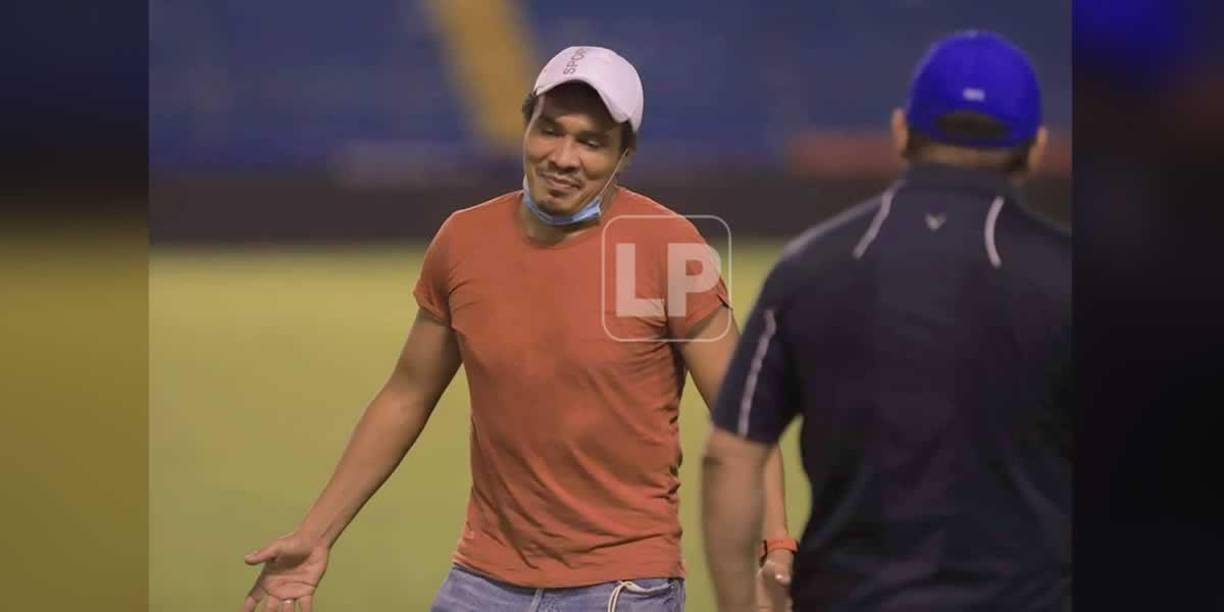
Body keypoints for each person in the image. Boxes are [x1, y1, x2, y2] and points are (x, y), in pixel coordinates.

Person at [241, 46, 797, 612]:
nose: (563, 157)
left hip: (623, 586)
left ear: (624, 156)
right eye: (549, 130)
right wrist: (316, 534)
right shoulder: (463, 241)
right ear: (525, 125)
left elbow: (742, 413)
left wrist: (774, 547)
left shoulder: (669, 247)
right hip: (481, 583)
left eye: (592, 141)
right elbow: (406, 395)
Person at [701, 30, 1070, 611]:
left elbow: (730, 457)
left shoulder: (809, 266)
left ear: (901, 132)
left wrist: (737, 604)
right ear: (1036, 147)